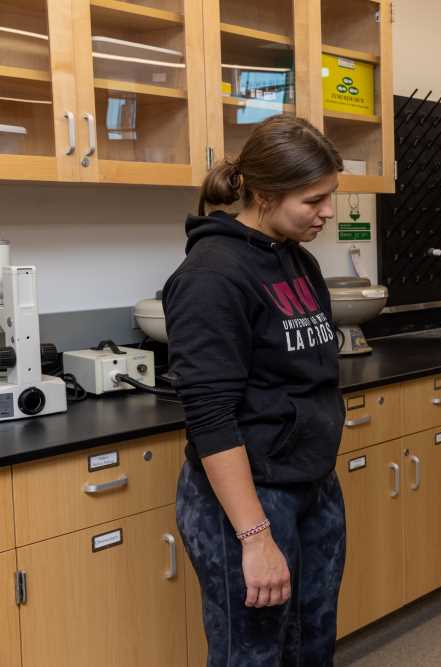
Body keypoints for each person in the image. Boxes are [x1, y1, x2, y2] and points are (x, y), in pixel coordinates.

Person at [163, 115, 347, 666]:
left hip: (310, 486)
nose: (328, 212)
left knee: (312, 646)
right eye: (313, 200)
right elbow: (211, 414)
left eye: (330, 196)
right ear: (264, 195)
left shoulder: (297, 259)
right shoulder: (211, 275)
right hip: (249, 501)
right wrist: (255, 537)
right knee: (256, 655)